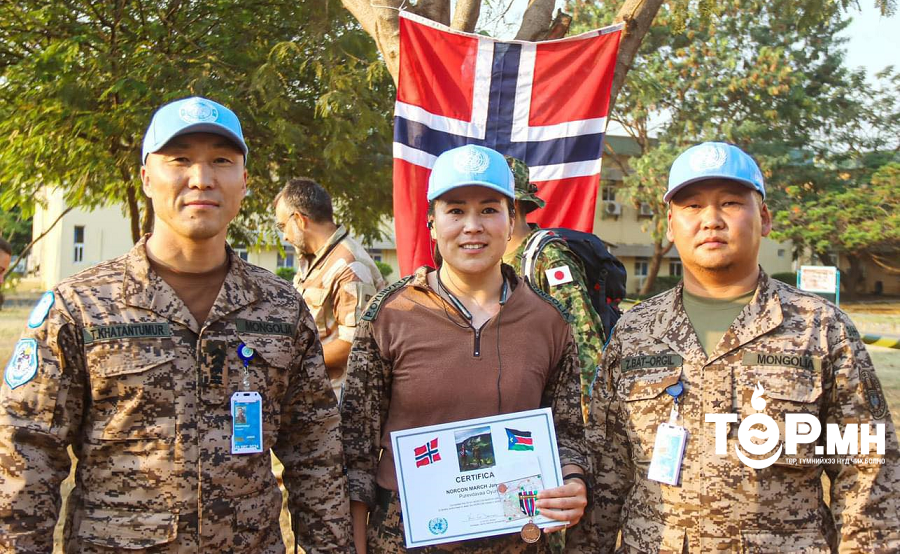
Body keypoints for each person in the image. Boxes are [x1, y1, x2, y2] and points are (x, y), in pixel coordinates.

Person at [0, 96, 352, 552]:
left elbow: (316, 454)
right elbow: (25, 455)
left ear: (244, 182)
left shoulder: (282, 310)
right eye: (180, 160)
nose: (201, 178)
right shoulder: (80, 307)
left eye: (221, 161)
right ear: (147, 177)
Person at [573, 142, 900, 553]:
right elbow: (606, 471)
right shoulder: (634, 333)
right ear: (670, 225)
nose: (711, 220)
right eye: (692, 206)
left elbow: (867, 476)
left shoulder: (821, 328)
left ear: (764, 218)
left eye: (730, 203)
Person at [342, 144, 590, 554]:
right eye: (455, 211)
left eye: (489, 210)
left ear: (511, 221)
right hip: (403, 541)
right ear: (432, 223)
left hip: (519, 541)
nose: (472, 226)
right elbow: (354, 450)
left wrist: (574, 479)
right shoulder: (390, 314)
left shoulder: (550, 321)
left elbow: (568, 434)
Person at [503, 157, 609, 420]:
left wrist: (590, 418)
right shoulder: (491, 259)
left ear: (514, 206)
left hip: (550, 405)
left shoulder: (547, 257)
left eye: (489, 207)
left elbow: (583, 335)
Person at [274, 178, 384, 401]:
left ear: (300, 220)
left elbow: (354, 344)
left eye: (282, 226)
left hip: (336, 402)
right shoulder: (314, 260)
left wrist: (290, 361)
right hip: (311, 395)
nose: (284, 236)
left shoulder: (349, 266)